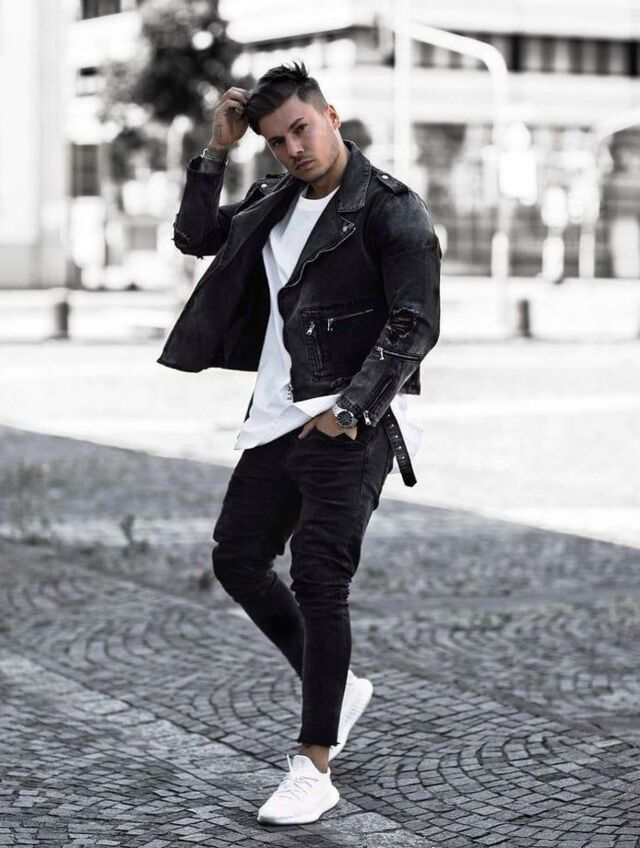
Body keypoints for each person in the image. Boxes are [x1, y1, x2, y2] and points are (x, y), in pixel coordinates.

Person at [157, 60, 441, 825]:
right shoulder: (273, 198)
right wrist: (217, 148)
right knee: (237, 558)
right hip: (280, 416)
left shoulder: (390, 209)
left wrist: (351, 410)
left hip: (353, 421)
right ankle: (337, 687)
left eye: (302, 130)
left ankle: (313, 767)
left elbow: (415, 322)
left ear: (330, 116)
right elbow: (194, 236)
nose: (294, 149)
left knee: (319, 576)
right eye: (278, 141)